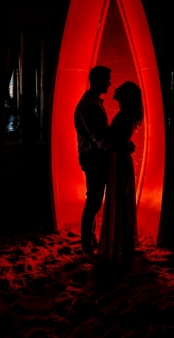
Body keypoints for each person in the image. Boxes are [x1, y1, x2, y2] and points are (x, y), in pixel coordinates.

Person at [98, 81, 143, 268]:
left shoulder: (124, 115)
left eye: (120, 88)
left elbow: (115, 141)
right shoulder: (128, 115)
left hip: (118, 160)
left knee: (117, 199)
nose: (115, 88)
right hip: (121, 159)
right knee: (120, 200)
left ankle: (116, 245)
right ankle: (119, 244)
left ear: (126, 96)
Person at [74, 65, 112, 262]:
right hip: (94, 158)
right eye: (107, 79)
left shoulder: (92, 102)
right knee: (94, 201)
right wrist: (118, 146)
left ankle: (90, 240)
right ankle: (87, 247)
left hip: (92, 157)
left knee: (94, 200)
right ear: (96, 79)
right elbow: (100, 139)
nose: (110, 83)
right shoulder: (90, 106)